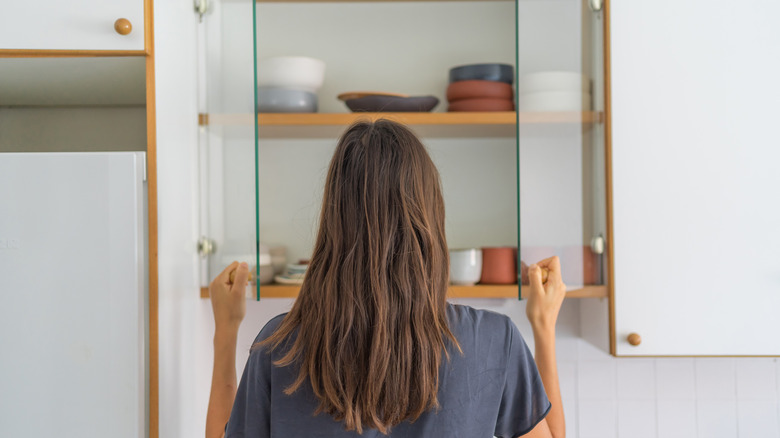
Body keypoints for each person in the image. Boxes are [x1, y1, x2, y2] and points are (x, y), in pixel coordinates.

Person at [206, 119, 566, 438]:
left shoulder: (279, 348)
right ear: (431, 219)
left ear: (333, 224)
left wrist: (225, 333)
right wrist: (544, 327)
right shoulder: (493, 340)